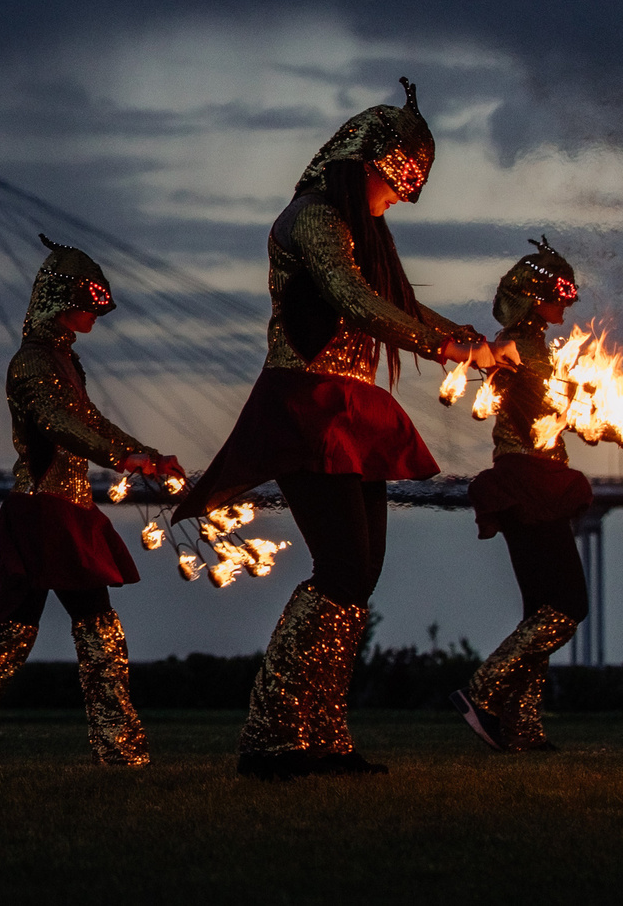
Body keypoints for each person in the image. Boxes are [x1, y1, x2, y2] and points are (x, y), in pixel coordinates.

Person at [177, 80, 509, 779]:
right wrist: (445, 348)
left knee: (359, 578)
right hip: (305, 407)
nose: (397, 202)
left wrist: (475, 344)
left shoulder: (363, 229)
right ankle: (273, 731)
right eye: (394, 185)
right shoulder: (312, 220)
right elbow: (354, 301)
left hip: (353, 409)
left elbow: (401, 305)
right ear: (364, 164)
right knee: (343, 569)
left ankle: (321, 733)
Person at [0, 236, 187, 767]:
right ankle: (121, 751)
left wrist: (145, 455)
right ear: (61, 302)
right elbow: (58, 424)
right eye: (88, 304)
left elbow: (90, 422)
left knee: (14, 636)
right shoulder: (35, 364)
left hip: (61, 510)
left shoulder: (61, 361)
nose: (95, 315)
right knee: (94, 634)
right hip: (47, 514)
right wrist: (124, 458)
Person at [452, 239, 623, 752]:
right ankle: (485, 690)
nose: (568, 303)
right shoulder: (520, 347)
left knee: (541, 611)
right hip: (531, 483)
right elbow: (562, 410)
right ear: (533, 295)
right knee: (568, 606)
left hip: (527, 481)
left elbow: (570, 412)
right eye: (559, 292)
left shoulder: (532, 346)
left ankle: (521, 729)